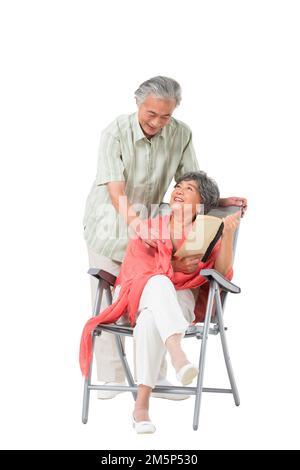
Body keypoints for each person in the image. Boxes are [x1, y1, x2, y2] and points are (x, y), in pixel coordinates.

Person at [83, 76, 247, 400]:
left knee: (156, 292)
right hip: (111, 223)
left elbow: (191, 183)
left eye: (166, 116)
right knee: (108, 298)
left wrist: (219, 201)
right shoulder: (115, 133)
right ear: (138, 104)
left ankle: (155, 378)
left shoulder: (181, 134)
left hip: (154, 232)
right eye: (151, 114)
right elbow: (116, 191)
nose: (158, 122)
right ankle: (112, 378)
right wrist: (134, 222)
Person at [79, 171, 240, 433]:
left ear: (202, 202)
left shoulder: (206, 233)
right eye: (178, 185)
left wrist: (230, 234)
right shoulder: (151, 227)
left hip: (179, 300)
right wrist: (174, 265)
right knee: (158, 282)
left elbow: (220, 275)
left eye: (189, 188)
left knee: (150, 320)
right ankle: (178, 357)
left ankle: (140, 407)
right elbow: (137, 270)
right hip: (139, 293)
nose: (178, 189)